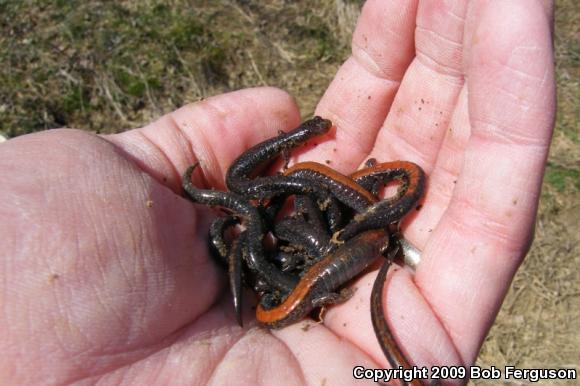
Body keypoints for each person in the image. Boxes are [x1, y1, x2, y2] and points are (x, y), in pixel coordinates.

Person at [0, 0, 555, 384]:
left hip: (312, 259)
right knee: (285, 221)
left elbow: (311, 214)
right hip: (302, 275)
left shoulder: (290, 222)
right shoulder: (276, 246)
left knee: (299, 213)